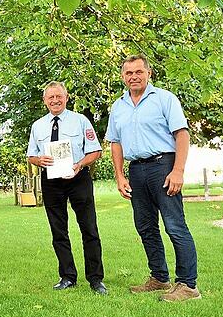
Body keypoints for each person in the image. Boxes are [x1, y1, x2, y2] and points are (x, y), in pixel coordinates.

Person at [105, 54, 200, 302]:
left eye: (139, 72)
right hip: (136, 170)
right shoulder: (119, 106)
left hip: (163, 166)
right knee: (145, 226)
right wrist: (119, 176)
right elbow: (115, 143)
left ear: (149, 73)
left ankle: (188, 285)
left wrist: (178, 170)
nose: (134, 77)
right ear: (123, 77)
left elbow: (181, 134)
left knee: (174, 225)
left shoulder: (165, 99)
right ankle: (159, 278)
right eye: (129, 73)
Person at [27, 81, 106, 294]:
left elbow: (95, 151)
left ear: (66, 97)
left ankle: (96, 279)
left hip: (78, 178)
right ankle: (67, 276)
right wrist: (39, 160)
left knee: (89, 228)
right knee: (58, 231)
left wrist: (80, 164)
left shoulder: (80, 121)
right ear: (45, 101)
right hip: (51, 181)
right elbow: (31, 155)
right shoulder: (38, 126)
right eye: (50, 97)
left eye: (58, 96)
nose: (55, 100)